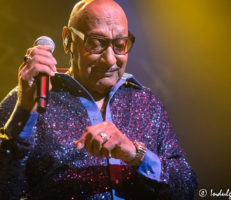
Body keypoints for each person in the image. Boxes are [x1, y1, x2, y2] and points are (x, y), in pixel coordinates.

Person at [0, 0, 198, 199]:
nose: (110, 59)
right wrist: (24, 112)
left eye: (120, 44)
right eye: (95, 43)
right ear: (67, 40)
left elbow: (186, 188)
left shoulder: (146, 102)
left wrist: (135, 154)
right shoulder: (27, 100)